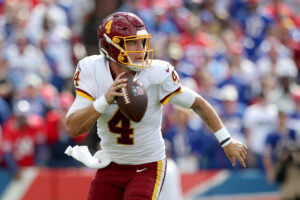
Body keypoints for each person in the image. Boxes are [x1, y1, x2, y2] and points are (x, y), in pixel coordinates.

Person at [65, 12, 247, 200]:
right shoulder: (91, 69)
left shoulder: (157, 73)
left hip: (147, 165)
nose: (140, 49)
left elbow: (198, 103)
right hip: (110, 164)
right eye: (132, 43)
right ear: (110, 47)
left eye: (141, 42)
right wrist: (105, 99)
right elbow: (73, 127)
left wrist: (226, 140)